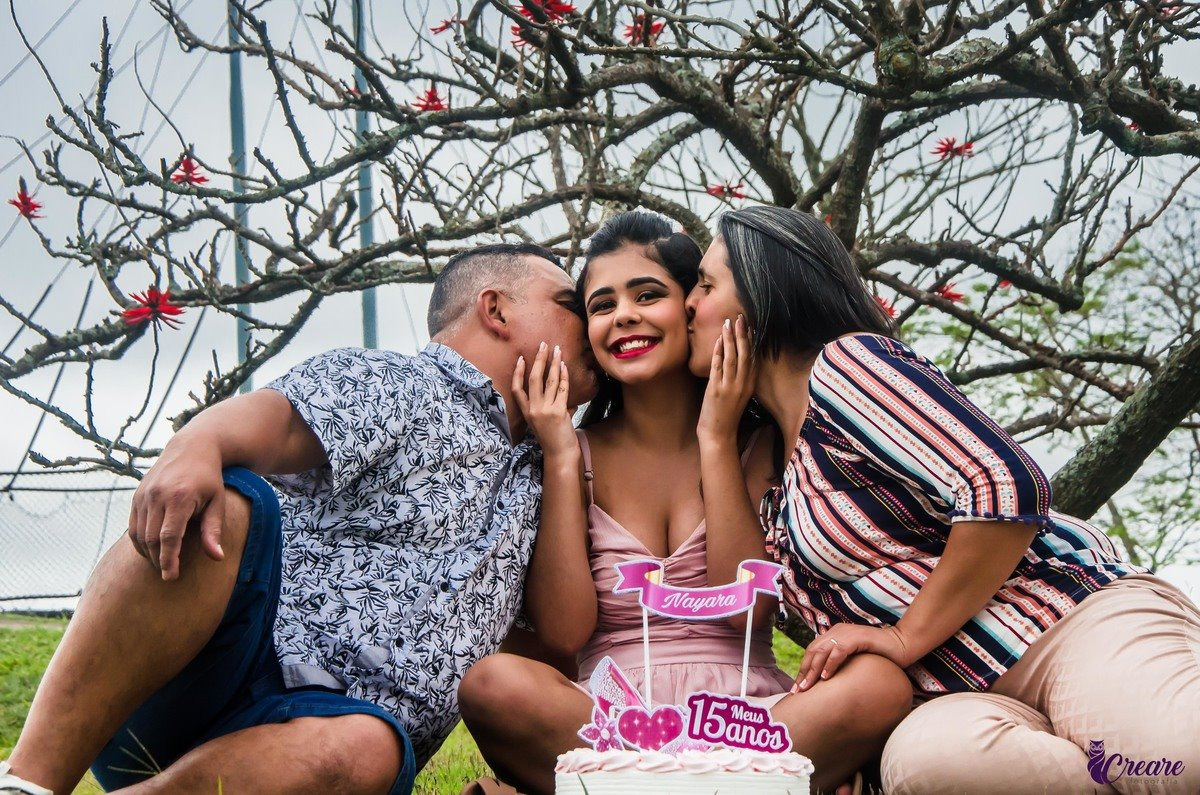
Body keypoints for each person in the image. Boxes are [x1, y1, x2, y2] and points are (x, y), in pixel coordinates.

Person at [0, 243, 598, 795]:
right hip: (217, 665)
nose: (590, 325)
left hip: (332, 739)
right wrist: (194, 445)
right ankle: (27, 783)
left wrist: (560, 454)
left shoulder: (546, 470)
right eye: (569, 304)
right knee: (230, 504)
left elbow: (561, 634)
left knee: (368, 748)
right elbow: (278, 423)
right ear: (495, 309)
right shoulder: (402, 384)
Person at [684, 205, 1200, 794]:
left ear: (763, 290)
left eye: (706, 285)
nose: (688, 305)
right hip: (952, 697)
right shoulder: (764, 465)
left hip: (1057, 622)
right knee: (927, 769)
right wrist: (716, 439)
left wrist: (905, 637)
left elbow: (1004, 485)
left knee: (1178, 760)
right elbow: (740, 605)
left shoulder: (846, 366)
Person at [457, 212, 912, 795]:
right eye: (601, 305)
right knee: (493, 684)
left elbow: (744, 613)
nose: (624, 315)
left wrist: (717, 441)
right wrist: (561, 458)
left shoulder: (760, 443)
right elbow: (566, 633)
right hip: (614, 725)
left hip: (753, 724)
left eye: (648, 294)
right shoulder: (574, 455)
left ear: (694, 307)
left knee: (879, 684)